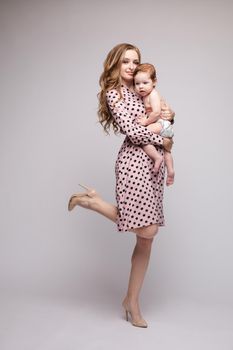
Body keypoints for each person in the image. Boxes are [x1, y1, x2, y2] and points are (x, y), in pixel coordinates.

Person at [68, 43, 174, 328]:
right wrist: (159, 127)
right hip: (133, 162)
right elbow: (132, 129)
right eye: (125, 61)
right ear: (115, 64)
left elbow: (166, 119)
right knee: (147, 227)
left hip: (154, 163)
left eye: (135, 61)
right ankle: (92, 201)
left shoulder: (144, 88)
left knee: (146, 238)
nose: (130, 66)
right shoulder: (114, 94)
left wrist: (168, 116)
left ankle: (132, 300)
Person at [133, 63, 175, 186]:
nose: (141, 87)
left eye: (145, 83)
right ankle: (171, 171)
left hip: (161, 124)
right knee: (167, 150)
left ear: (154, 82)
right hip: (164, 126)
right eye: (137, 84)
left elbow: (156, 112)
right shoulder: (145, 95)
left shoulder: (153, 94)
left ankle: (157, 157)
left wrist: (145, 121)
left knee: (143, 135)